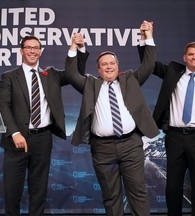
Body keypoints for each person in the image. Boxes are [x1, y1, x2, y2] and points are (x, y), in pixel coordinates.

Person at [65, 21, 159, 216]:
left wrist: (148, 36)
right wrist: (74, 47)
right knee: (111, 195)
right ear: (98, 70)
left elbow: (148, 65)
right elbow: (71, 74)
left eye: (112, 63)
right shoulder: (90, 84)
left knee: (138, 194)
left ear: (118, 66)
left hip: (131, 145)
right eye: (104, 64)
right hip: (102, 149)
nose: (109, 67)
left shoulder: (130, 79)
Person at [0, 35, 88, 216]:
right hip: (16, 140)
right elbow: (3, 106)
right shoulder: (9, 76)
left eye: (36, 47)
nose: (32, 51)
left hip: (42, 139)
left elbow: (74, 74)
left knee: (39, 190)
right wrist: (14, 133)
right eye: (29, 47)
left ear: (41, 51)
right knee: (12, 190)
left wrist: (76, 49)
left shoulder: (50, 74)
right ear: (21, 51)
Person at [139, 41, 195, 215]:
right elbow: (148, 64)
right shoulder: (172, 72)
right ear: (184, 57)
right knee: (172, 186)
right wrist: (146, 39)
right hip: (175, 137)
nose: (194, 57)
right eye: (191, 54)